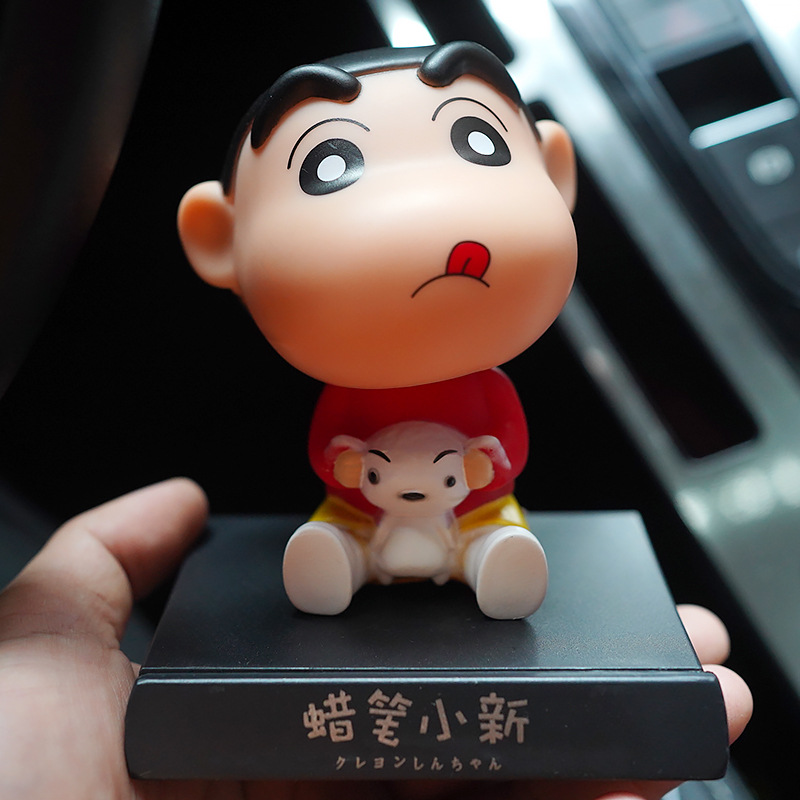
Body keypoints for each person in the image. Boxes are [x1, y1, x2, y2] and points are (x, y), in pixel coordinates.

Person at [0, 478, 752, 800]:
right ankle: (340, 555)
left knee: (491, 534)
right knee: (342, 535)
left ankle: (495, 554)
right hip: (368, 523)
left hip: (465, 523)